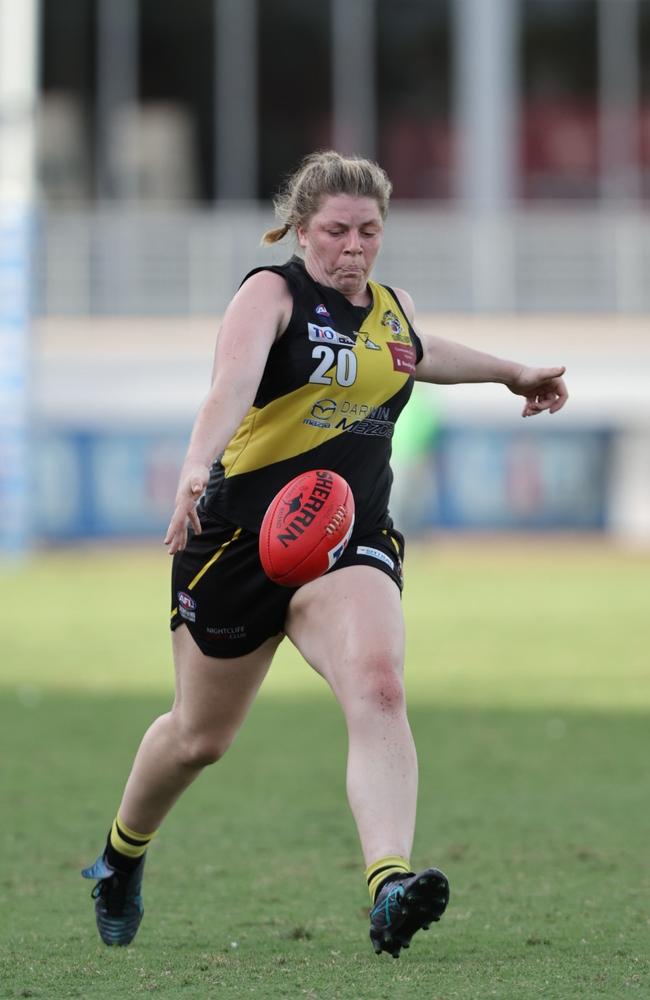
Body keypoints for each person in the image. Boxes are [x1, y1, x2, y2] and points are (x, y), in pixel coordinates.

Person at [82, 150, 568, 957]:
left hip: (347, 537)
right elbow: (230, 386)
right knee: (199, 737)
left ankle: (389, 885)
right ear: (301, 230)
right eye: (337, 230)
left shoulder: (390, 308)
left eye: (369, 231)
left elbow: (419, 348)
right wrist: (196, 466)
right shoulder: (269, 294)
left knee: (378, 686)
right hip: (238, 540)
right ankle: (119, 858)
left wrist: (511, 372)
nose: (354, 246)